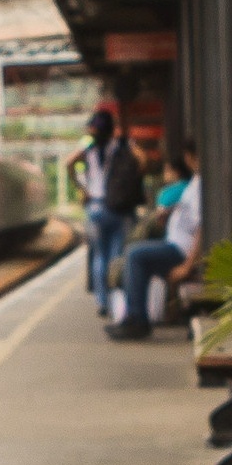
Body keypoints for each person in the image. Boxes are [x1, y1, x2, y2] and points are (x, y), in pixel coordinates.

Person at [109, 139, 203, 341]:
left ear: (191, 157)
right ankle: (133, 317)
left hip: (181, 250)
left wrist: (187, 266)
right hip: (175, 245)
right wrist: (170, 215)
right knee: (135, 254)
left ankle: (137, 320)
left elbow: (201, 229)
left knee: (136, 254)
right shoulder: (195, 182)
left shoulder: (200, 185)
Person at [68, 107, 143, 316]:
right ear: (113, 129)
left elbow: (69, 162)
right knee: (117, 256)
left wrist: (82, 188)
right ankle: (118, 301)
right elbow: (142, 159)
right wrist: (133, 182)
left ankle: (102, 302)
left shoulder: (88, 148)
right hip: (118, 208)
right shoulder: (122, 144)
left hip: (95, 208)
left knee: (99, 256)